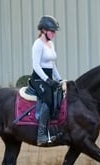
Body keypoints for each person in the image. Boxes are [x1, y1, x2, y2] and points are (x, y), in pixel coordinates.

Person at [30, 15, 62, 146]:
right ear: (43, 30)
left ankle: (54, 128)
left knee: (60, 95)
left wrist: (59, 79)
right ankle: (41, 135)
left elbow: (52, 64)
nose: (54, 33)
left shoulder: (50, 44)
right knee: (48, 99)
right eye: (51, 31)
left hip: (49, 77)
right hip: (38, 79)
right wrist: (47, 80)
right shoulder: (38, 44)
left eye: (54, 31)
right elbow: (36, 65)